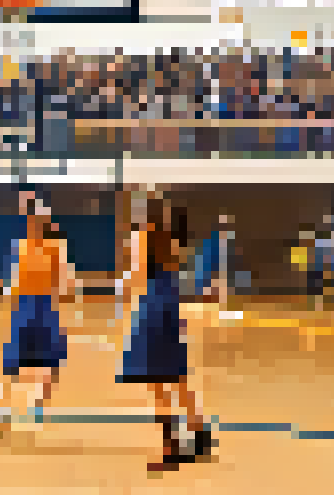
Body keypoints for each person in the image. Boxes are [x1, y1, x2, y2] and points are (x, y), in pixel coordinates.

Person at [119, 192, 212, 469]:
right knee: (178, 376)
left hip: (152, 306)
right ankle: (199, 438)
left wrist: (123, 288)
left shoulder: (141, 237)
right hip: (171, 304)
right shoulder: (171, 241)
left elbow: (137, 276)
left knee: (157, 381)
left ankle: (169, 449)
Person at [0, 195, 72, 440]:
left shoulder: (49, 248)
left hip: (39, 309)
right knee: (17, 368)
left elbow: (62, 283)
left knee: (43, 367)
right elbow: (18, 283)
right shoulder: (30, 247)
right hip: (31, 309)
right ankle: (3, 411)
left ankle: (26, 408)